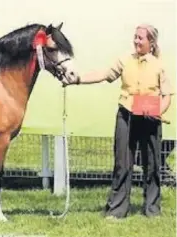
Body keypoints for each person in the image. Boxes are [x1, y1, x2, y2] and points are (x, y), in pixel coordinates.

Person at [66, 24, 174, 219]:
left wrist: (159, 110)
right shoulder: (125, 60)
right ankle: (117, 209)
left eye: (141, 38)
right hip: (126, 115)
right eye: (135, 37)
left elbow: (167, 96)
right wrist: (78, 79)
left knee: (153, 164)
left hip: (150, 119)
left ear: (151, 43)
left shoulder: (159, 65)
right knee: (122, 163)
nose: (136, 41)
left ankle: (152, 209)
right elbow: (104, 75)